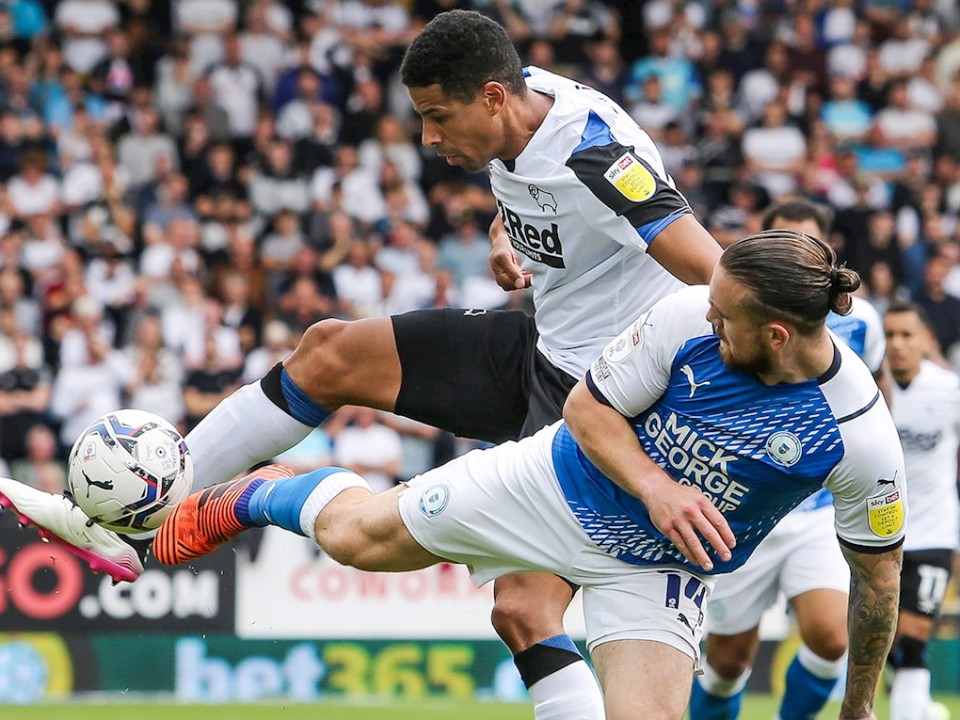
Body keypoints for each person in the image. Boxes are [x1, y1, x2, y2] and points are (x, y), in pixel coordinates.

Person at [0, 11, 722, 717]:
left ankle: (245, 502)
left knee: (523, 610)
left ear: (491, 97)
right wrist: (508, 233)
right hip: (540, 348)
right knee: (331, 352)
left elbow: (714, 274)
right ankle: (135, 523)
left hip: (600, 395)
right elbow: (537, 186)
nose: (427, 137)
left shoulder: (597, 154)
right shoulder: (521, 100)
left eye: (437, 118)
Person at [152, 231, 906, 720]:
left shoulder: (860, 438)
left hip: (660, 568)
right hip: (553, 484)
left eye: (723, 316)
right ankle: (259, 491)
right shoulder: (685, 318)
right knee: (356, 539)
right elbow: (586, 409)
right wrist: (657, 487)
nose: (708, 318)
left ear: (776, 334)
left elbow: (877, 578)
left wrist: (860, 705)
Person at [690, 198, 889, 720]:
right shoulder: (731, 310)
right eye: (785, 241)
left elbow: (873, 392)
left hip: (815, 509)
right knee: (727, 661)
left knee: (831, 637)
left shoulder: (864, 322)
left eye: (808, 243)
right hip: (742, 507)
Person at [883, 301, 960, 720]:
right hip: (876, 534)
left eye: (906, 335)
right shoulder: (866, 392)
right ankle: (920, 707)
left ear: (927, 340)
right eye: (889, 335)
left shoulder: (949, 391)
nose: (897, 344)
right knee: (885, 640)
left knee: (913, 636)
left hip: (933, 533)